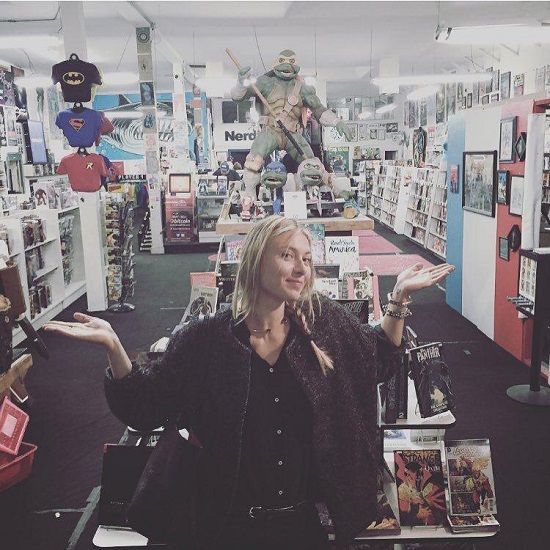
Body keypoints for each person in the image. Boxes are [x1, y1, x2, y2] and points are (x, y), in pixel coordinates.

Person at [44, 215, 454, 549]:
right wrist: (113, 346)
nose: (301, 269)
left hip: (301, 526)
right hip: (225, 526)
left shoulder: (321, 322)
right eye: (287, 255)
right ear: (256, 259)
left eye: (306, 259)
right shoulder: (205, 338)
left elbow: (374, 358)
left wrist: (399, 298)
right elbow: (145, 406)